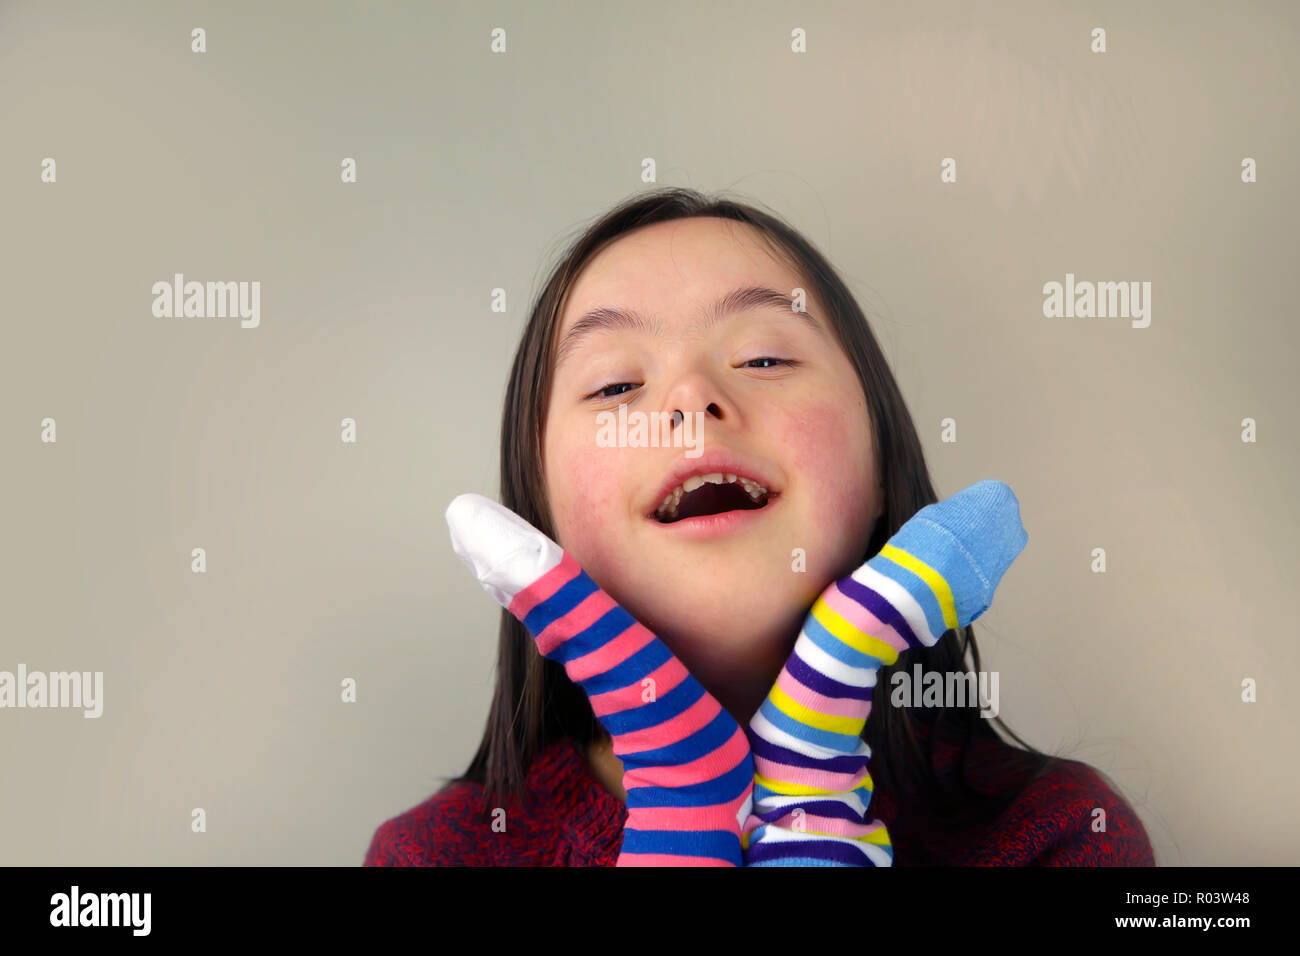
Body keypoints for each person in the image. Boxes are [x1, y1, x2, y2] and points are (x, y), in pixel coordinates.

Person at [364, 187, 1156, 866]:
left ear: (882, 465)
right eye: (614, 384)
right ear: (539, 521)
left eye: (765, 359)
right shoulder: (439, 854)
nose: (691, 400)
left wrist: (820, 749)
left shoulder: (1049, 833)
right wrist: (677, 782)